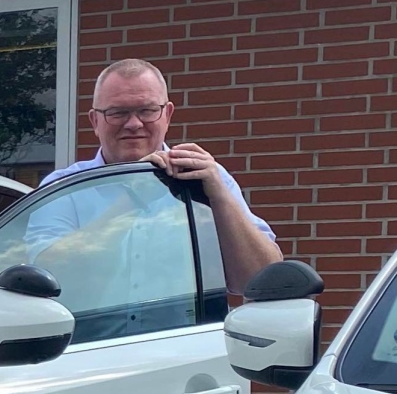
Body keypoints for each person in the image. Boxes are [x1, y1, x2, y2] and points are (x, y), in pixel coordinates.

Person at [25, 58, 283, 302]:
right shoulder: (64, 187)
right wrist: (130, 201)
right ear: (95, 121)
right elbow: (49, 275)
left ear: (167, 115)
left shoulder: (207, 179)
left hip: (192, 335)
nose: (134, 124)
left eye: (147, 111)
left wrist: (220, 200)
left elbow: (262, 280)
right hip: (91, 335)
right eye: (118, 112)